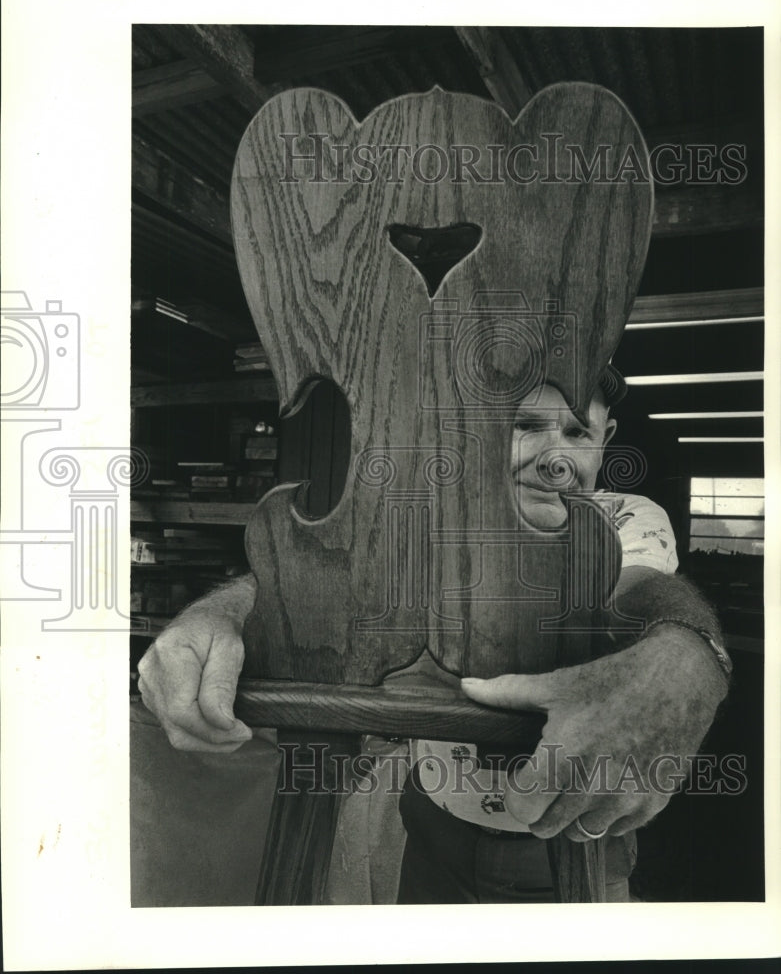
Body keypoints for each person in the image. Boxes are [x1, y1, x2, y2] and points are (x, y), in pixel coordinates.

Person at [138, 367, 731, 903]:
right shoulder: (429, 525)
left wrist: (683, 654)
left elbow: (639, 590)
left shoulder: (624, 517)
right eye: (526, 425)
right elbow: (321, 576)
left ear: (607, 437)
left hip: (570, 836)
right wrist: (216, 616)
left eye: (578, 432)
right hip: (431, 819)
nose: (556, 457)